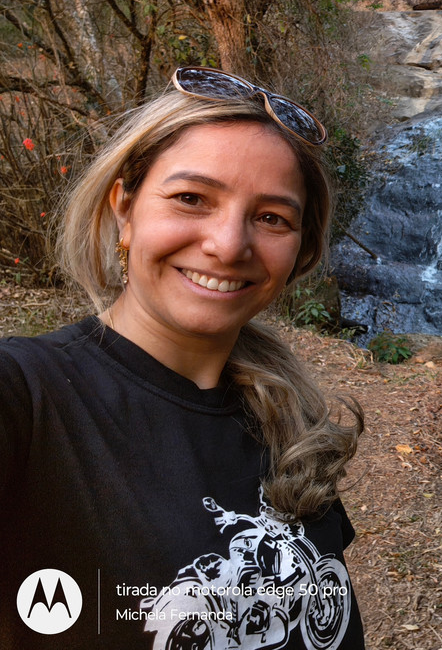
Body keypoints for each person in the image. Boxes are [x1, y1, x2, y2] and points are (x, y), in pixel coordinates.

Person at [0, 67, 365, 649]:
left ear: (300, 251)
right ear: (124, 209)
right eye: (191, 198)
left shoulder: (288, 415)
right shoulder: (27, 394)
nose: (228, 245)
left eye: (272, 217)